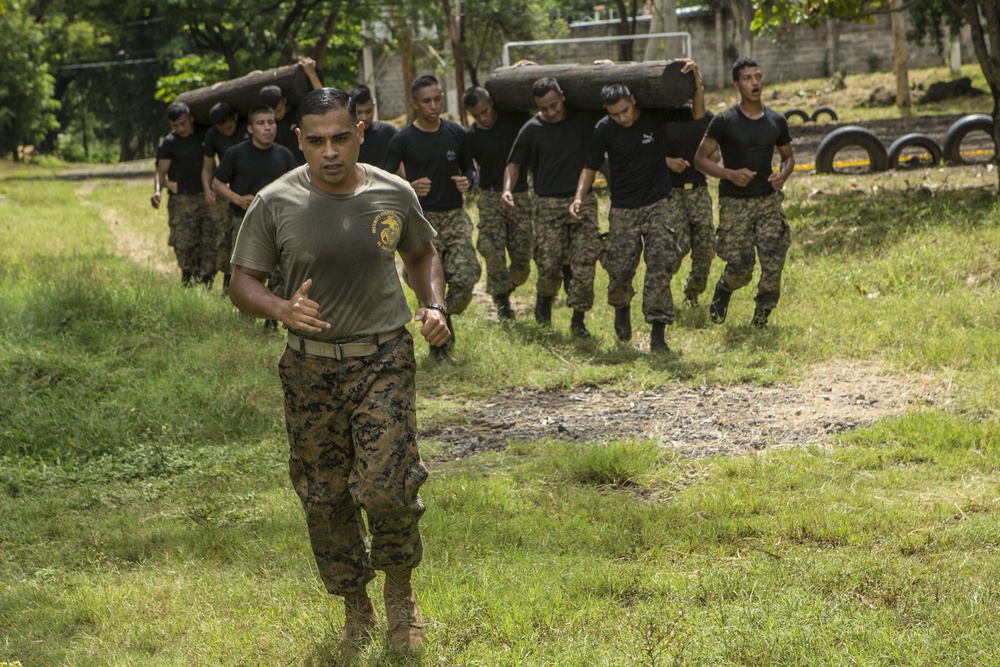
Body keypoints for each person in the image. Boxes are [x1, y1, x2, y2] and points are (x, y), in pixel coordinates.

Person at [228, 87, 449, 652]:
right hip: (309, 371)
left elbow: (422, 254)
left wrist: (434, 304)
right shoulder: (275, 202)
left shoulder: (392, 192)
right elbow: (242, 282)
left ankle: (401, 597)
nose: (330, 152)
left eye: (342, 138)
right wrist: (280, 308)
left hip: (383, 360)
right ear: (299, 140)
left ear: (360, 133)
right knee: (324, 497)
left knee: (386, 486)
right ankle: (357, 607)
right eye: (317, 141)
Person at [570, 64, 704, 352]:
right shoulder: (604, 129)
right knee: (619, 271)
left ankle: (658, 334)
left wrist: (698, 82)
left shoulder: (654, 116)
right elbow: (590, 166)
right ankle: (621, 309)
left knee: (659, 266)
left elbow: (697, 113)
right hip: (623, 209)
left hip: (658, 203)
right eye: (614, 114)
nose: (621, 118)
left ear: (633, 100)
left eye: (624, 111)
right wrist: (579, 197)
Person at [383, 74, 480, 359]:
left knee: (464, 278)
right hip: (421, 221)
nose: (434, 105)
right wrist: (409, 187)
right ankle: (439, 342)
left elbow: (470, 168)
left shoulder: (456, 133)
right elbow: (386, 181)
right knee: (425, 282)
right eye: (427, 101)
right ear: (414, 103)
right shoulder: (402, 140)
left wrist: (468, 181)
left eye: (438, 99)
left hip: (454, 216)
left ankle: (442, 314)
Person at [695, 58, 795, 327]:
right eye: (748, 78)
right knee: (740, 269)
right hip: (735, 202)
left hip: (768, 200)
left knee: (774, 262)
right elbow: (700, 159)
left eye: (758, 77)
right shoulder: (724, 121)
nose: (755, 83)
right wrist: (730, 174)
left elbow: (788, 157)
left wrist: (782, 175)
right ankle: (725, 288)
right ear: (736, 84)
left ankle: (761, 318)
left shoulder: (777, 120)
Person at [502, 77, 603, 337]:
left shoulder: (584, 118)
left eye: (554, 105)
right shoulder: (532, 129)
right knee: (548, 263)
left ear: (563, 96)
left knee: (585, 262)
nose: (550, 112)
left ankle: (578, 320)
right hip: (547, 204)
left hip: (583, 200)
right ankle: (544, 304)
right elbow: (514, 164)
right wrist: (507, 190)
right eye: (543, 108)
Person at [213, 106, 298, 329]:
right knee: (248, 274)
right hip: (245, 221)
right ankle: (246, 322)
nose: (268, 127)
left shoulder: (285, 155)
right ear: (250, 128)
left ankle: (272, 323)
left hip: (280, 225)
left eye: (271, 122)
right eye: (261, 123)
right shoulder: (236, 153)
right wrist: (237, 199)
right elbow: (217, 183)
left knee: (280, 275)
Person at [463, 86, 534, 321]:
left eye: (485, 111)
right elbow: (468, 166)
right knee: (492, 250)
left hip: (520, 194)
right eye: (477, 115)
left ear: (492, 102)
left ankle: (505, 285)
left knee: (523, 259)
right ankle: (502, 302)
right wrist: (467, 179)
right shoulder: (472, 136)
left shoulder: (514, 120)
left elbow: (535, 99)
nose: (483, 118)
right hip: (490, 196)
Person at [150, 101, 216, 288]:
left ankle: (206, 280)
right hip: (182, 199)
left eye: (183, 123)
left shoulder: (206, 135)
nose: (180, 128)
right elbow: (160, 172)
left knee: (209, 240)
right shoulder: (169, 143)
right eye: (175, 125)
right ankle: (187, 276)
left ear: (191, 119)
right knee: (184, 242)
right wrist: (157, 191)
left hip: (206, 195)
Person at [663, 109, 716, 309]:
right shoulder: (664, 115)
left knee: (706, 247)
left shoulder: (707, 118)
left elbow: (715, 155)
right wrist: (667, 161)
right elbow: (646, 150)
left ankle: (692, 293)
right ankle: (660, 287)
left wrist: (713, 156)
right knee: (679, 245)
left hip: (699, 190)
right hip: (672, 191)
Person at [201, 102, 248, 295]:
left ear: (235, 117)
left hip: (246, 187)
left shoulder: (248, 126)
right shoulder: (212, 135)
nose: (227, 132)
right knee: (223, 237)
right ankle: (226, 282)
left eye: (229, 127)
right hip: (224, 188)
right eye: (222, 129)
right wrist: (207, 189)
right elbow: (208, 167)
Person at [259, 57, 323, 166]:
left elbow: (323, 102)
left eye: (279, 110)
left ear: (284, 101)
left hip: (305, 166)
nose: (277, 116)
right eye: (273, 113)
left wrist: (312, 74)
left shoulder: (299, 111)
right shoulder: (267, 124)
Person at [349, 83, 397, 170]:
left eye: (368, 111)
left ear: (374, 107)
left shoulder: (387, 132)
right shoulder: (344, 137)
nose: (364, 117)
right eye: (358, 113)